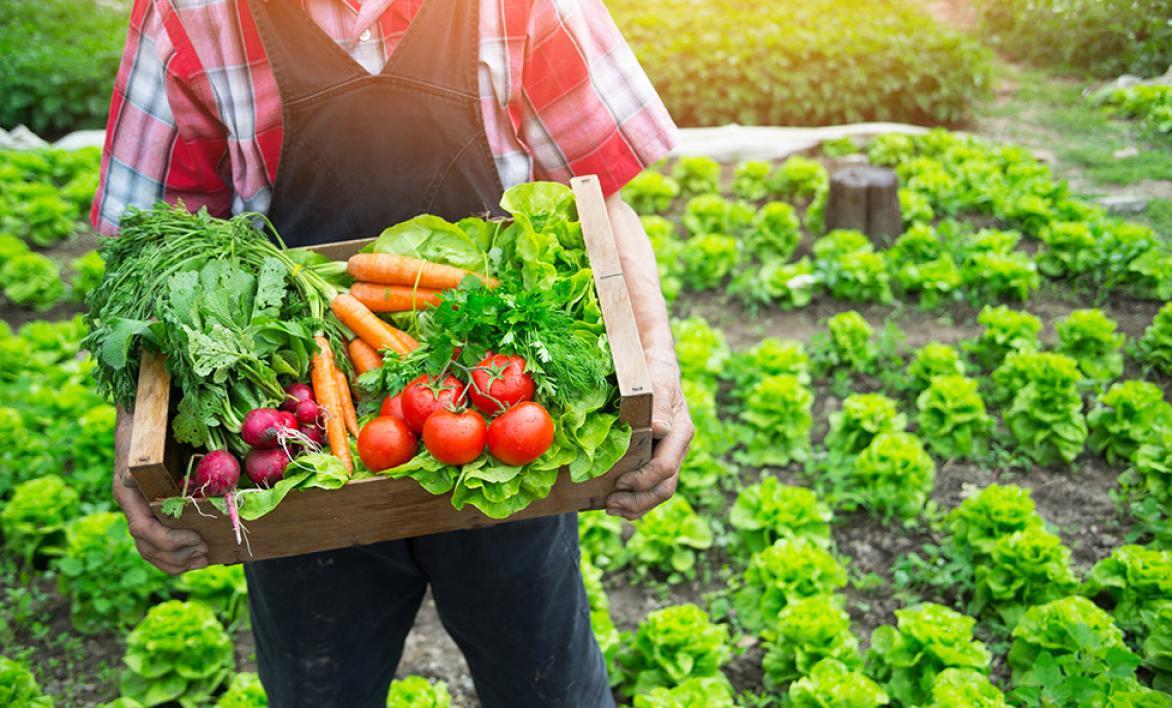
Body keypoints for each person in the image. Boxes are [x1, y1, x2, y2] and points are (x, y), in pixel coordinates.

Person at [94, 0, 692, 705]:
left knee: (545, 682)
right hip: (308, 448)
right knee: (320, 687)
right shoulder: (187, 13)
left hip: (504, 430)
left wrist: (655, 356)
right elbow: (155, 251)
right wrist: (139, 427)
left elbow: (599, 193)